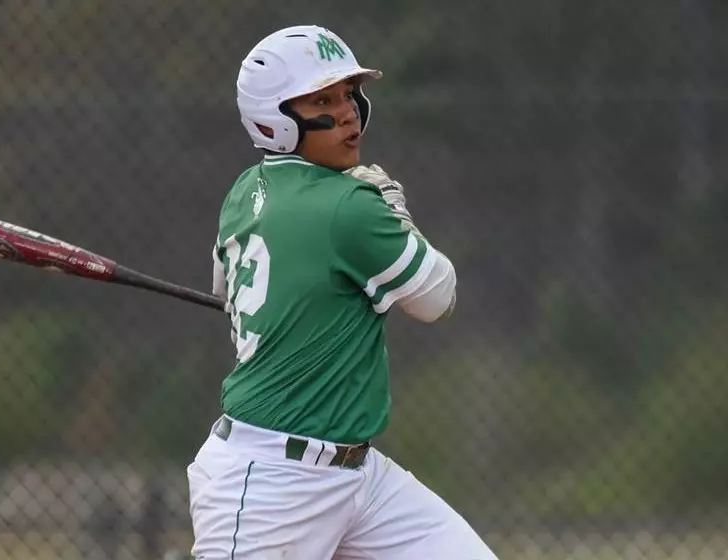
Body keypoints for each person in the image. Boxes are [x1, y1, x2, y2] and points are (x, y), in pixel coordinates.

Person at [186, 24, 499, 560]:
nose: (348, 112)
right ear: (274, 119)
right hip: (272, 485)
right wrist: (394, 210)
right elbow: (437, 298)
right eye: (323, 101)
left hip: (358, 476)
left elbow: (224, 288)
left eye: (349, 94)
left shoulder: (245, 190)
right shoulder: (350, 206)